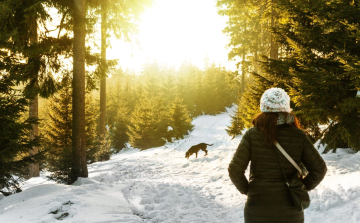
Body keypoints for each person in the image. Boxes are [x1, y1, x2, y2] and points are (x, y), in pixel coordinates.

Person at [228, 88, 327, 223]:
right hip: (291, 209)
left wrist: (249, 191)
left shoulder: (252, 134)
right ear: (286, 108)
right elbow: (319, 169)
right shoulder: (298, 136)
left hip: (257, 209)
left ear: (263, 107)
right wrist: (300, 187)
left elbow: (235, 170)